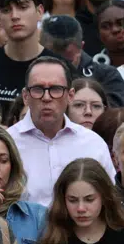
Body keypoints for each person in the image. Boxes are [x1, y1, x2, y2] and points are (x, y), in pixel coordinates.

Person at [8, 54, 117, 207]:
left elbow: (110, 201)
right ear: (26, 96)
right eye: (38, 89)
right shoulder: (8, 143)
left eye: (56, 89)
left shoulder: (93, 144)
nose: (46, 97)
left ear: (70, 96)